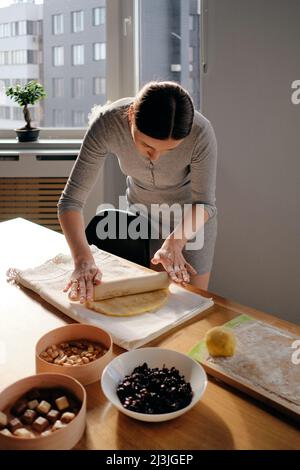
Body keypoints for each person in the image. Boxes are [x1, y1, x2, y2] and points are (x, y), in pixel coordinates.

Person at [57, 81, 217, 304]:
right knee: (147, 305)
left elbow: (205, 204)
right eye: (147, 146)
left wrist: (175, 242)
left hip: (190, 224)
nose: (155, 157)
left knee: (190, 305)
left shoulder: (201, 132)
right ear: (131, 115)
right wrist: (82, 259)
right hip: (141, 217)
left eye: (169, 150)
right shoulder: (108, 124)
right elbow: (70, 201)